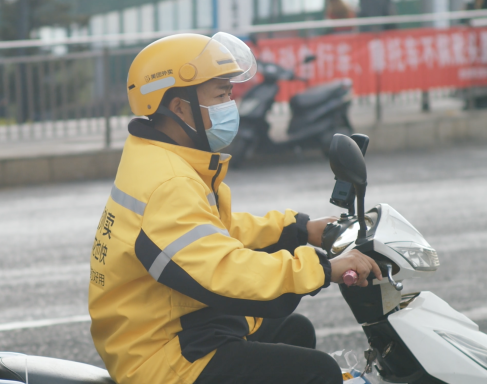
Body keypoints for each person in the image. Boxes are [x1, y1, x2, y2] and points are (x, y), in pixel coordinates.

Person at [88, 32, 382, 384]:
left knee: (292, 330)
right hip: (162, 357)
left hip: (165, 327)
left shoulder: (160, 158)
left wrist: (298, 229)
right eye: (221, 95)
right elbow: (221, 271)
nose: (231, 104)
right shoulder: (169, 182)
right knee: (317, 372)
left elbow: (212, 232)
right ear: (180, 107)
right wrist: (321, 269)